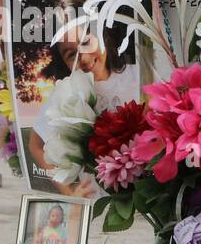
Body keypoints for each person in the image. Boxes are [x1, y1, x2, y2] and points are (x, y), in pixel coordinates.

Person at [28, 13, 140, 198]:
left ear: (102, 37)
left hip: (146, 194)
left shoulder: (136, 76)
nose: (85, 59)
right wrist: (70, 192)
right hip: (99, 198)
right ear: (63, 63)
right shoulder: (65, 93)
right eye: (72, 55)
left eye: (87, 42)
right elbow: (35, 145)